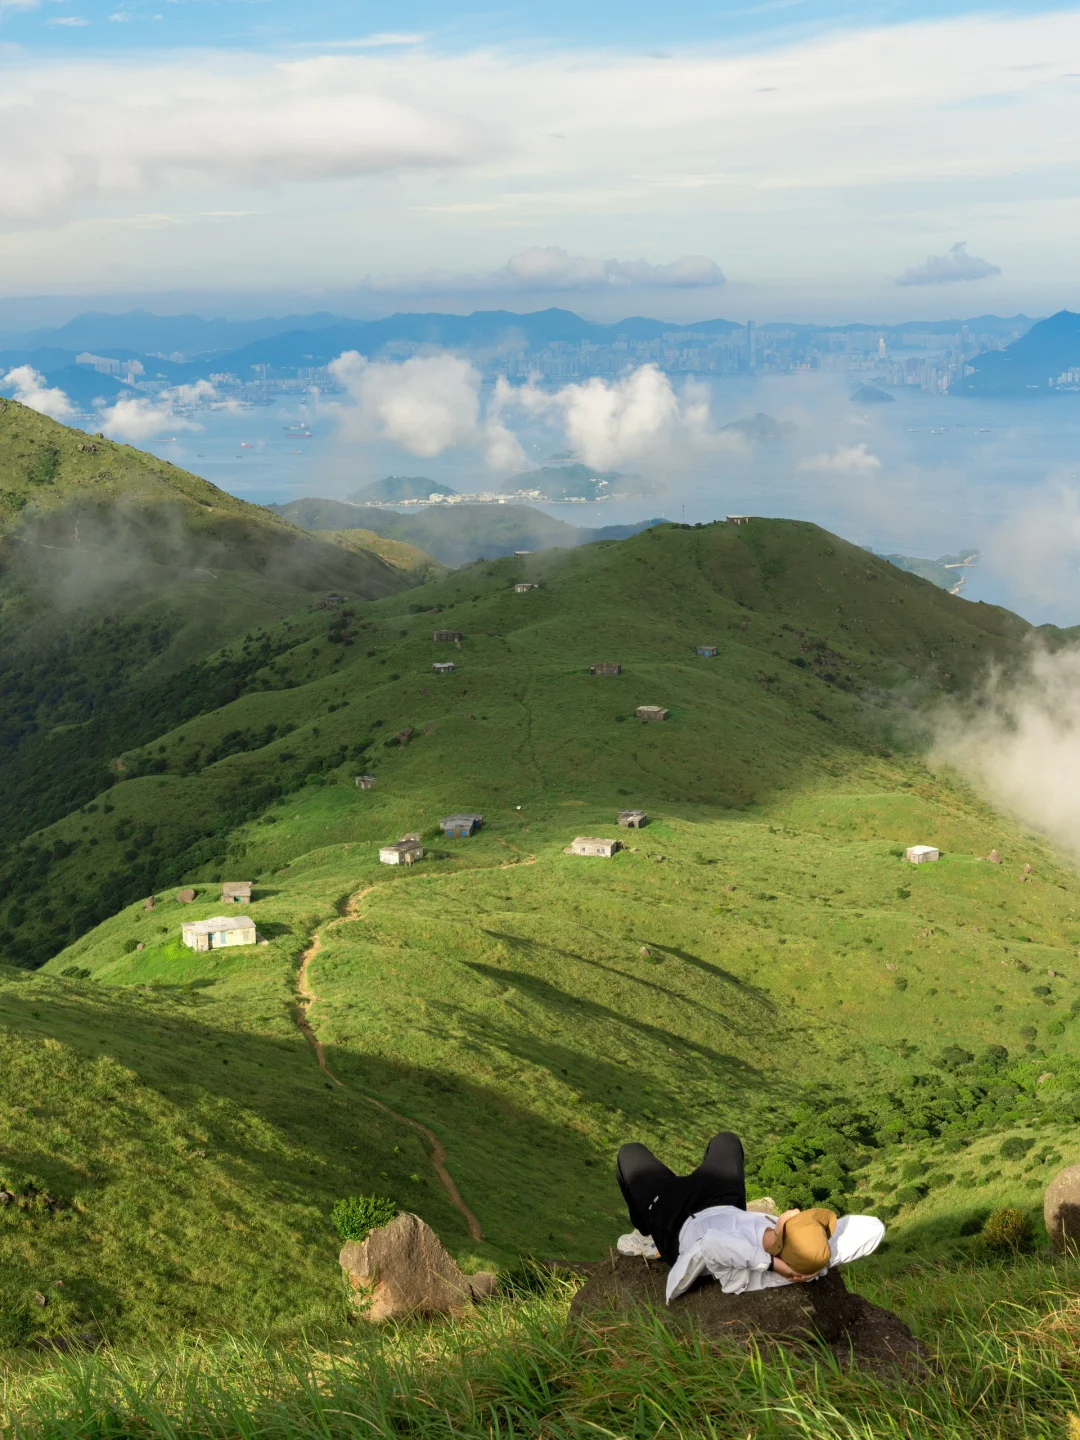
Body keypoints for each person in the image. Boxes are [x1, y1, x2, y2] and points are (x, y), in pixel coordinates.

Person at [616, 1131, 885, 1304]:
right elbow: (874, 1228)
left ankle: (645, 1236)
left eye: (796, 1218)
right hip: (723, 1204)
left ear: (782, 1236)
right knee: (726, 1141)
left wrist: (772, 1265)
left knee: (629, 1153)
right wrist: (819, 1261)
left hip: (675, 1221)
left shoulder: (742, 1269)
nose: (795, 1211)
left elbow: (710, 1244)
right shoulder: (813, 1252)